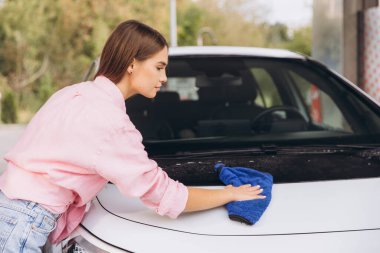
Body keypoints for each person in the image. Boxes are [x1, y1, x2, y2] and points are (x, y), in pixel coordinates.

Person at [0, 20, 265, 252]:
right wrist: (228, 194)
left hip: (10, 209)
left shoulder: (73, 93)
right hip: (26, 222)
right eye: (159, 67)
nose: (164, 78)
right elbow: (163, 194)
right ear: (131, 63)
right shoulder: (111, 123)